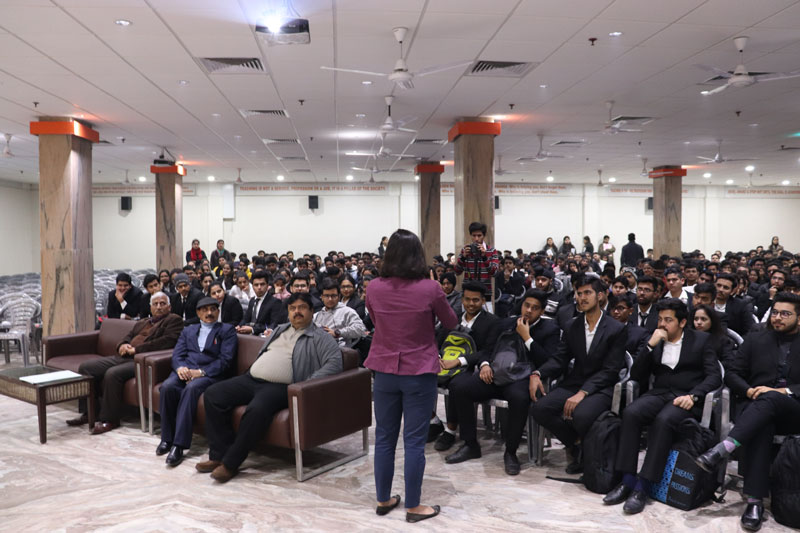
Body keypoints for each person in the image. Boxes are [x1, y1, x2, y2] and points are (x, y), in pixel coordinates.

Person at [364, 229, 458, 522]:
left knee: (384, 438)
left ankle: (383, 499)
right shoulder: (430, 288)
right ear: (418, 255)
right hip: (419, 370)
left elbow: (375, 320)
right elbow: (451, 321)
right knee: (415, 441)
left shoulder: (373, 287)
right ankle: (414, 506)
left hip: (384, 370)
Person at [198, 292, 342, 482]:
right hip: (252, 379)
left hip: (282, 386)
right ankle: (218, 455)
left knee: (256, 410)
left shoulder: (320, 337)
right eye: (292, 308)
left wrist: (306, 383)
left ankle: (230, 464)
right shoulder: (281, 329)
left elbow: (334, 364)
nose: (297, 312)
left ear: (311, 311)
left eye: (301, 308)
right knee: (213, 394)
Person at [603, 299, 720, 515]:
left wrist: (694, 396)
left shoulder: (701, 340)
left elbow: (714, 376)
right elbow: (636, 375)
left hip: (685, 397)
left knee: (664, 421)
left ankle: (643, 486)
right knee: (631, 413)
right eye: (660, 319)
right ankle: (627, 480)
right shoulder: (655, 339)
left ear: (682, 322)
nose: (662, 324)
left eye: (668, 320)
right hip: (659, 393)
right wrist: (649, 346)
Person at [695, 292, 800, 531]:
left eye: (785, 314)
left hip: (794, 410)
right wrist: (749, 390)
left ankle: (724, 449)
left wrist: (782, 392)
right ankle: (754, 502)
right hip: (757, 409)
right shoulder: (756, 339)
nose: (777, 318)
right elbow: (732, 373)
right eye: (775, 312)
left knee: (769, 399)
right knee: (762, 423)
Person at [445, 289, 559, 475]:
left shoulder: (550, 329)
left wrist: (527, 337)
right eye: (526, 305)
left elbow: (547, 360)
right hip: (496, 374)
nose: (529, 311)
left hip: (522, 379)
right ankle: (470, 444)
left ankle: (511, 452)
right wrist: (484, 365)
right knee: (459, 387)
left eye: (535, 308)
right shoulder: (505, 323)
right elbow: (487, 350)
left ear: (542, 311)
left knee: (519, 399)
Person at [531, 275, 627, 474]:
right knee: (540, 409)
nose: (582, 298)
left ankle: (588, 453)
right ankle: (576, 444)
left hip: (602, 387)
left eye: (587, 293)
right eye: (579, 293)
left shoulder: (616, 329)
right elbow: (560, 359)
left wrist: (583, 393)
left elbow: (610, 370)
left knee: (580, 414)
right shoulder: (571, 325)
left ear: (600, 296)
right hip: (575, 382)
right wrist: (537, 373)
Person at [69, 292, 183, 433]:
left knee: (112, 374)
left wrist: (136, 350)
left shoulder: (174, 320)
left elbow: (166, 342)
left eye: (162, 304)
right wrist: (122, 345)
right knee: (86, 367)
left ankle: (110, 420)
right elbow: (128, 336)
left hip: (142, 360)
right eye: (155, 304)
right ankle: (90, 413)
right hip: (123, 356)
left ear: (169, 307)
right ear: (150, 307)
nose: (159, 307)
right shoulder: (143, 322)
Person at [157, 296, 237, 466]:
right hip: (186, 369)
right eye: (205, 310)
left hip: (210, 374)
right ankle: (166, 439)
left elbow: (225, 360)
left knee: (191, 389)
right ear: (198, 313)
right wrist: (180, 368)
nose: (209, 313)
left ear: (218, 311)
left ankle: (179, 445)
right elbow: (177, 354)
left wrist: (200, 372)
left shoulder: (227, 330)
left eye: (213, 309)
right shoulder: (188, 330)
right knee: (167, 387)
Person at [430, 282, 501, 451]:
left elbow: (488, 351)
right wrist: (438, 358)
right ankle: (433, 421)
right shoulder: (452, 317)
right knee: (418, 377)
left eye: (475, 300)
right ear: (462, 299)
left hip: (472, 367)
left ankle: (450, 430)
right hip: (445, 362)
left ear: (483, 301)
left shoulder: (492, 322)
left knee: (457, 384)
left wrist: (459, 361)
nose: (471, 304)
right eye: (467, 299)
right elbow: (437, 341)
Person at [313, 278, 366, 347]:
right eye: (326, 296)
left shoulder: (347, 312)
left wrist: (337, 332)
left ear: (339, 296)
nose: (330, 299)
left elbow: (360, 329)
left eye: (333, 296)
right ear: (322, 297)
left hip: (340, 349)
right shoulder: (316, 316)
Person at [454, 221, 501, 298]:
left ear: (484, 236)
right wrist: (463, 257)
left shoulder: (491, 251)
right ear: (470, 235)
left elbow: (495, 273)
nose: (476, 239)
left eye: (479, 236)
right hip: (468, 294)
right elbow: (457, 272)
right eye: (474, 235)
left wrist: (485, 257)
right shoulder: (466, 250)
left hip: (485, 294)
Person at [237, 271, 284, 336]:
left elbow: (273, 325)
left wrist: (253, 329)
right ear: (252, 286)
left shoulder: (275, 302)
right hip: (249, 336)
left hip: (264, 337)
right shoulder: (252, 300)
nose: (259, 287)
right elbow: (246, 318)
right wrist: (239, 326)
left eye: (262, 284)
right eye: (256, 285)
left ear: (267, 285)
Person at [690, 304, 736, 370]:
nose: (699, 322)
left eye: (703, 319)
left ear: (712, 321)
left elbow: (729, 362)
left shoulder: (723, 340)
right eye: (696, 319)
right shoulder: (687, 338)